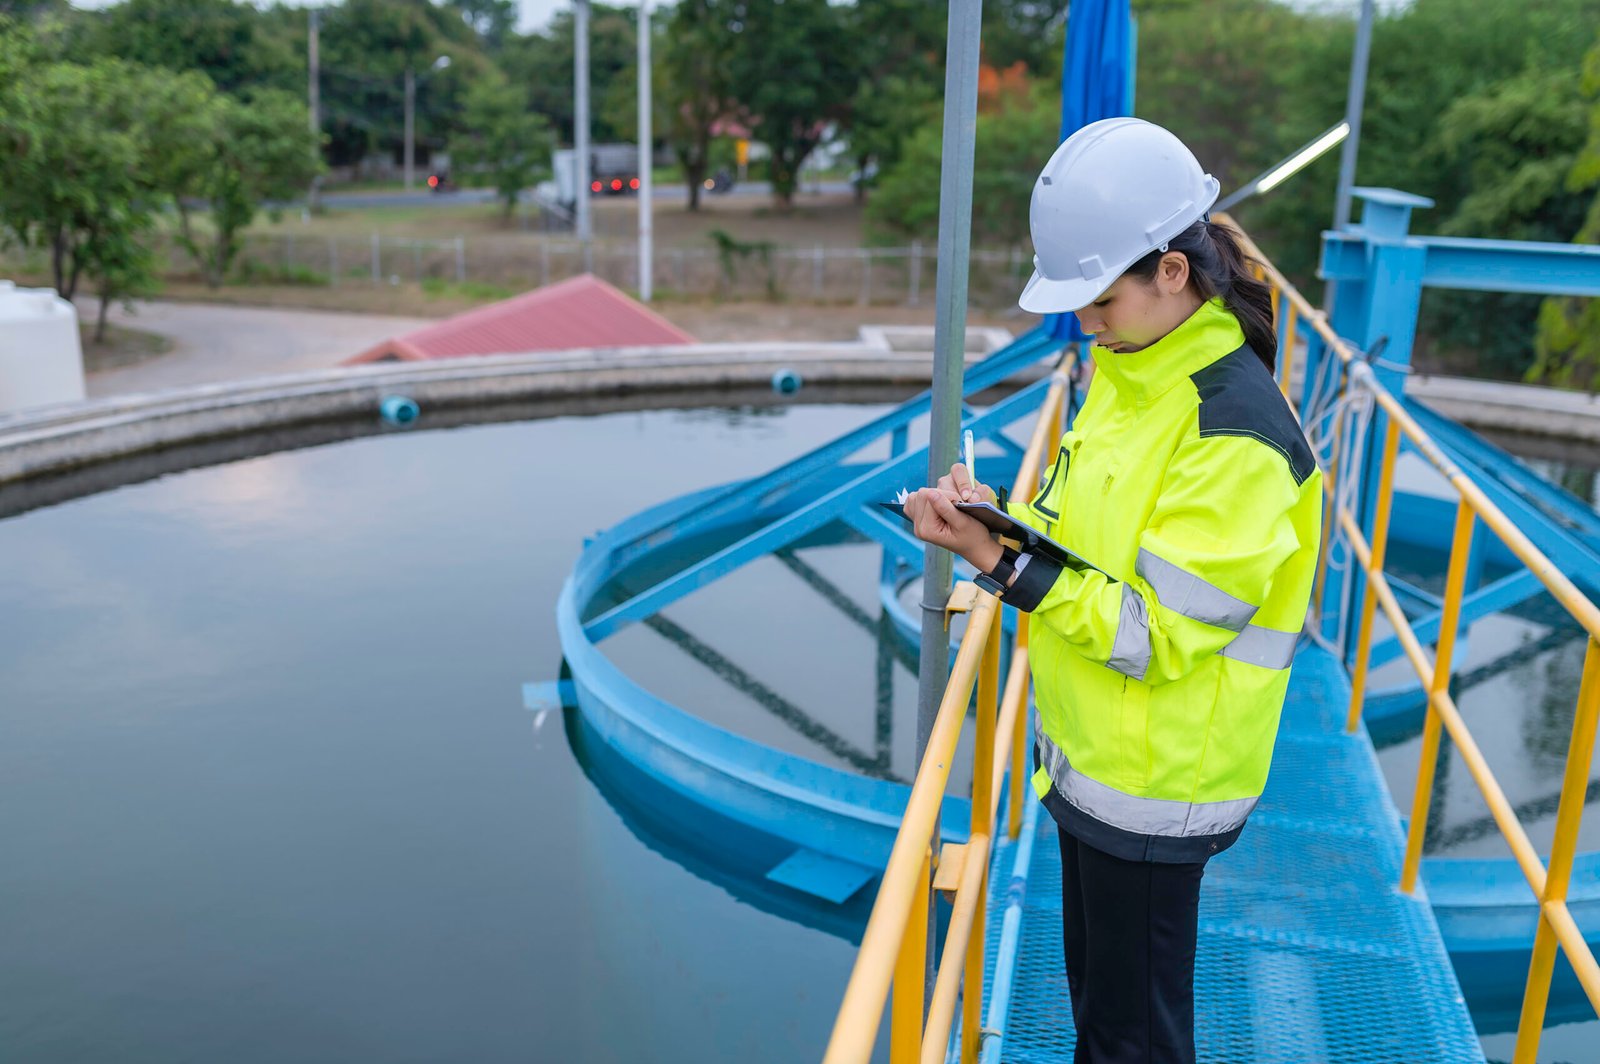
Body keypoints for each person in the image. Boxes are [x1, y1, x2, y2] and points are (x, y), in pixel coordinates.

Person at [902, 117, 1323, 1063]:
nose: (1085, 323)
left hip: (1157, 784)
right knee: (1105, 1008)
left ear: (1173, 271)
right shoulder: (1135, 373)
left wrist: (1001, 565)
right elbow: (1095, 544)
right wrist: (999, 520)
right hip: (1098, 760)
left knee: (1132, 1037)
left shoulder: (1234, 429)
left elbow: (1159, 632)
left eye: (1098, 299)